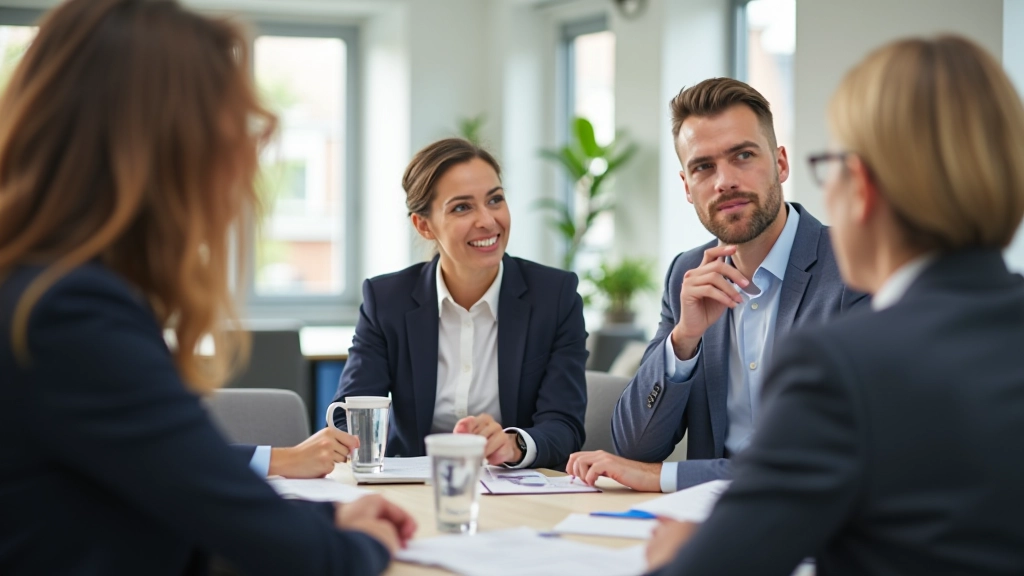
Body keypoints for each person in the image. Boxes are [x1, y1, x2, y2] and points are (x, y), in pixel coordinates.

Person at [0, 1, 414, 574]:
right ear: (165, 147)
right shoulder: (72, 312)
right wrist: (364, 543)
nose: (244, 167)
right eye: (232, 132)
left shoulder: (42, 286)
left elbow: (162, 498)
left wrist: (328, 519)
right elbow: (297, 557)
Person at [647, 34, 1024, 575]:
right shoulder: (690, 274)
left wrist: (675, 556)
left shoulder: (843, 364)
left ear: (860, 186)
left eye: (829, 165)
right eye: (704, 167)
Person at [568, 78, 866, 492]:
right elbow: (635, 445)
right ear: (687, 187)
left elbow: (838, 456)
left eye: (743, 156)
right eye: (703, 167)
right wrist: (683, 340)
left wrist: (665, 476)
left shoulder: (856, 266)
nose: (724, 181)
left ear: (780, 163)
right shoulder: (686, 273)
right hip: (706, 515)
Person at [332, 138, 588, 469]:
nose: (488, 221)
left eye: (495, 200)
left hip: (513, 486)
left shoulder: (554, 297)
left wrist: (513, 445)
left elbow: (565, 426)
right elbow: (350, 412)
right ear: (424, 225)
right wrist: (358, 447)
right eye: (462, 208)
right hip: (412, 485)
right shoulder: (387, 301)